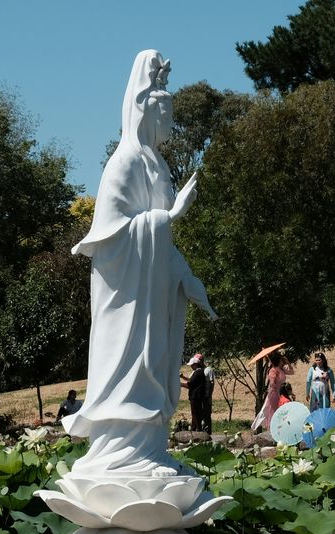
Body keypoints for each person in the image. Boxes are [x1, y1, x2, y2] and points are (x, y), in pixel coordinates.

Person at [62, 50, 217, 475]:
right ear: (145, 108)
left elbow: (160, 243)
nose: (170, 121)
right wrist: (172, 215)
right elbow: (113, 235)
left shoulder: (157, 164)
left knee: (154, 365)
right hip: (126, 297)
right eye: (165, 110)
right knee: (128, 370)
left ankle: (148, 451)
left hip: (153, 295)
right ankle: (119, 455)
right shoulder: (125, 161)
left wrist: (186, 279)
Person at [252, 350, 294, 432]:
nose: (283, 361)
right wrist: (275, 378)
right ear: (279, 360)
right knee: (274, 412)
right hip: (274, 394)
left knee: (279, 412)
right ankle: (273, 430)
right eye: (282, 360)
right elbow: (272, 384)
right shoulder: (273, 370)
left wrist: (288, 362)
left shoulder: (281, 369)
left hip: (279, 393)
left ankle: (279, 429)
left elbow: (291, 372)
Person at [180, 354, 211, 433]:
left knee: (195, 413)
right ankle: (194, 428)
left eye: (192, 365)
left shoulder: (197, 373)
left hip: (195, 396)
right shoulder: (199, 372)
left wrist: (180, 384)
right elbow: (191, 381)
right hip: (198, 396)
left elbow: (190, 384)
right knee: (196, 412)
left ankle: (198, 429)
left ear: (195, 364)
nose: (191, 366)